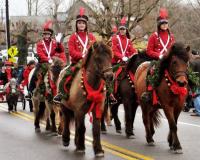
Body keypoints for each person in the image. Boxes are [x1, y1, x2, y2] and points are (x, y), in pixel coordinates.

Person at [53, 7, 96, 103]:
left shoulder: (92, 37)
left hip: (89, 63)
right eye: (79, 23)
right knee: (65, 76)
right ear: (77, 25)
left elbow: (95, 50)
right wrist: (82, 55)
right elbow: (72, 52)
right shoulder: (73, 37)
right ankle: (61, 94)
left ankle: (108, 95)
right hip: (77, 62)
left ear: (86, 25)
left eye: (83, 23)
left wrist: (89, 56)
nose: (81, 25)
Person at [141, 8, 175, 103]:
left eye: (166, 23)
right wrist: (159, 55)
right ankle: (149, 92)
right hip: (157, 60)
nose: (164, 25)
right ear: (159, 25)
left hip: (169, 60)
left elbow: (173, 49)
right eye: (163, 24)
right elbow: (149, 51)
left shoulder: (171, 36)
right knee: (151, 71)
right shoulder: (154, 36)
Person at [28, 20, 66, 95]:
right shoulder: (39, 44)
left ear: (50, 35)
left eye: (48, 34)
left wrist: (59, 43)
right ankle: (30, 91)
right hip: (43, 62)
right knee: (35, 74)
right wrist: (48, 59)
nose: (46, 36)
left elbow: (61, 50)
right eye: (45, 34)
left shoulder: (55, 42)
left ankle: (62, 90)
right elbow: (40, 54)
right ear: (43, 35)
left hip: (54, 62)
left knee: (62, 72)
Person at [110, 17, 137, 104]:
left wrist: (135, 54)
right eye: (121, 29)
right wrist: (122, 57)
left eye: (123, 29)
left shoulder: (129, 40)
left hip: (126, 62)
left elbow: (132, 50)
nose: (122, 31)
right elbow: (114, 51)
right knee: (112, 77)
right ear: (119, 30)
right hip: (116, 62)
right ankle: (111, 94)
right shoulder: (115, 38)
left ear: (126, 30)